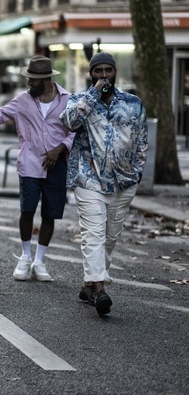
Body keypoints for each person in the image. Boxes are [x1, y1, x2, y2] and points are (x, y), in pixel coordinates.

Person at [0, 55, 75, 282]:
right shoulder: (22, 100)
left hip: (57, 165)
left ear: (46, 80)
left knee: (50, 214)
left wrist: (60, 149)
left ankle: (39, 262)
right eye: (28, 79)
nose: (29, 83)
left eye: (33, 80)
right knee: (27, 211)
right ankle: (24, 256)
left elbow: (75, 130)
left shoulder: (68, 100)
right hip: (30, 164)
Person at [60, 52, 148, 316]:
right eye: (98, 71)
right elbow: (69, 123)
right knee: (93, 235)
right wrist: (93, 95)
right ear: (91, 74)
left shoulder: (133, 103)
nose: (103, 76)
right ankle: (99, 289)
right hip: (89, 179)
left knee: (111, 236)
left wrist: (137, 172)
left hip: (124, 181)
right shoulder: (79, 101)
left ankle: (89, 284)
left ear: (115, 73)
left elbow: (142, 139)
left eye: (108, 71)